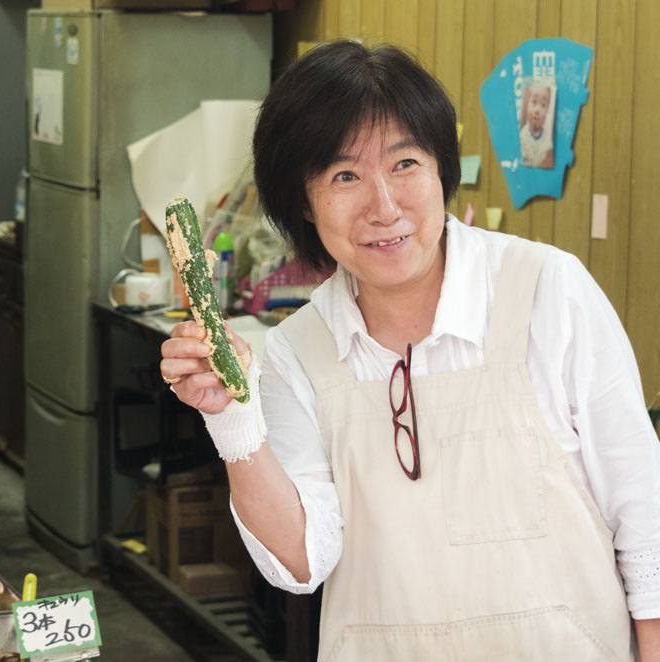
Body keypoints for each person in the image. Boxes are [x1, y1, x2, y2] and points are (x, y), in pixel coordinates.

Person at [160, 40, 660, 661]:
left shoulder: (547, 292)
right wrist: (233, 421)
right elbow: (301, 562)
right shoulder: (296, 351)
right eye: (345, 176)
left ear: (441, 170)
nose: (385, 206)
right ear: (303, 204)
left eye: (405, 165)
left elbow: (646, 517)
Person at [519, 80, 555, 168]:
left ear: (547, 112)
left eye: (543, 105)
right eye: (534, 102)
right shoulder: (521, 136)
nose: (537, 110)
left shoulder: (548, 140)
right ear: (527, 106)